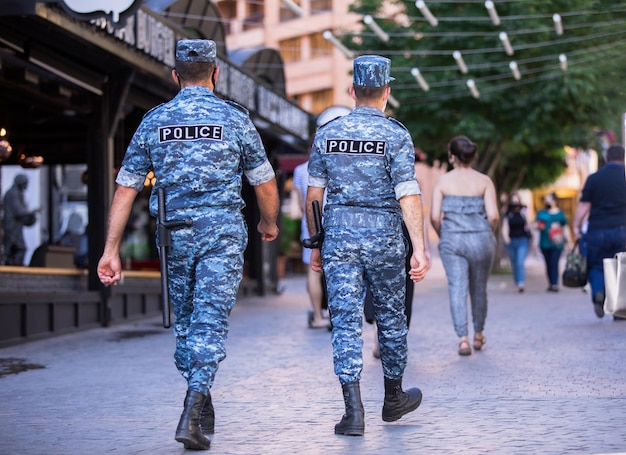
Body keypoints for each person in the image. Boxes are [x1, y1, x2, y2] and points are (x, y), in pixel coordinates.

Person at [96, 39, 279, 451]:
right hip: (223, 234)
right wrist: (268, 223)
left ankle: (201, 399)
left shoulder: (155, 121)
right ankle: (191, 412)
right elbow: (263, 181)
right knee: (210, 322)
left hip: (174, 234)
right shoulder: (233, 118)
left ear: (175, 76)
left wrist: (111, 250)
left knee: (187, 323)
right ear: (216, 73)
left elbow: (125, 189)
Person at [306, 55, 430, 436]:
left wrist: (315, 245)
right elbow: (408, 194)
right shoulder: (396, 135)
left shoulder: (328, 132)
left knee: (344, 321)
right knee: (391, 318)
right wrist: (420, 248)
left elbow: (314, 194)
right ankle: (393, 398)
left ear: (352, 92)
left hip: (340, 237)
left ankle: (353, 411)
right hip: (386, 238)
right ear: (386, 93)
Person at [430, 135, 499, 356]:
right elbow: (494, 216)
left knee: (457, 289)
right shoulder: (484, 181)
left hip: (452, 239)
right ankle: (478, 334)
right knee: (479, 288)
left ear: (451, 157)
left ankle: (462, 340)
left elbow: (434, 216)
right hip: (481, 238)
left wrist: (444, 234)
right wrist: (487, 233)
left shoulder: (443, 181)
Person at [572, 144, 626, 319]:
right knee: (621, 267)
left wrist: (576, 225)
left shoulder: (594, 178)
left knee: (597, 265)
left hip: (597, 230)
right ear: (623, 158)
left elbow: (584, 205)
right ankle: (619, 309)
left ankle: (598, 292)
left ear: (607, 158)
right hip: (622, 229)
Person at [293, 158, 328, 329]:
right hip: (335, 219)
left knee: (313, 269)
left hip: (311, 221)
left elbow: (301, 202)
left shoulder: (300, 170)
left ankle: (317, 316)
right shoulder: (335, 160)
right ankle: (331, 313)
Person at [535, 192, 571, 293]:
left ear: (554, 201)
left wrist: (569, 241)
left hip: (557, 242)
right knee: (548, 263)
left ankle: (555, 284)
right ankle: (551, 283)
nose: (546, 201)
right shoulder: (541, 213)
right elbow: (535, 225)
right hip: (544, 242)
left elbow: (565, 227)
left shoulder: (560, 214)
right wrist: (538, 227)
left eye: (548, 199)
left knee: (554, 262)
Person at [2, 174, 38, 265]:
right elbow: (18, 210)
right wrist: (30, 212)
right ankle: (12, 266)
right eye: (25, 183)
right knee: (16, 248)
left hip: (16, 227)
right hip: (11, 226)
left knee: (17, 248)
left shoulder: (18, 193)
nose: (26, 186)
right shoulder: (13, 193)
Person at [501, 192, 532, 292]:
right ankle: (516, 282)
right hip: (511, 241)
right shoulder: (508, 213)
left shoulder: (523, 212)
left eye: (516, 200)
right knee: (514, 263)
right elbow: (505, 226)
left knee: (520, 262)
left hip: (522, 240)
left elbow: (529, 225)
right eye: (513, 200)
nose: (515, 203)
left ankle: (521, 283)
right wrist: (506, 237)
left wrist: (533, 237)